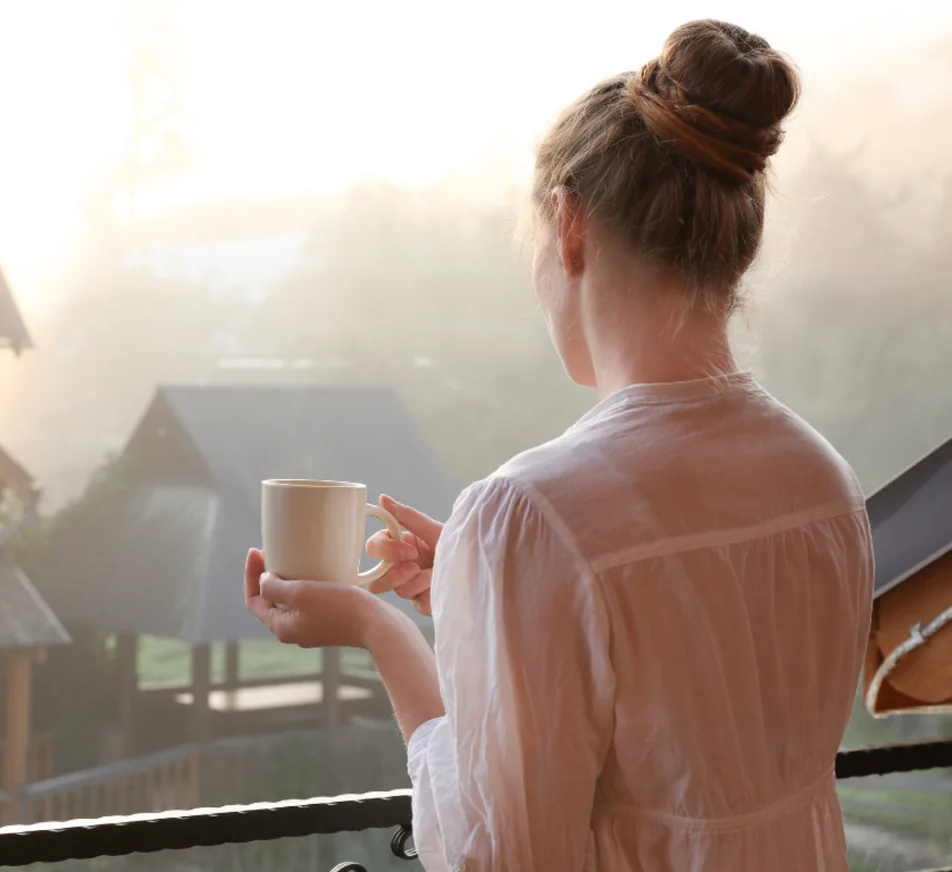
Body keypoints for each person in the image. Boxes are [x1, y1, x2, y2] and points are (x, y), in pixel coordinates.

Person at [242, 19, 873, 872]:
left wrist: (381, 632)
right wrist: (483, 598)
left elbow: (503, 858)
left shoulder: (534, 513)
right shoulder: (822, 481)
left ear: (569, 226)